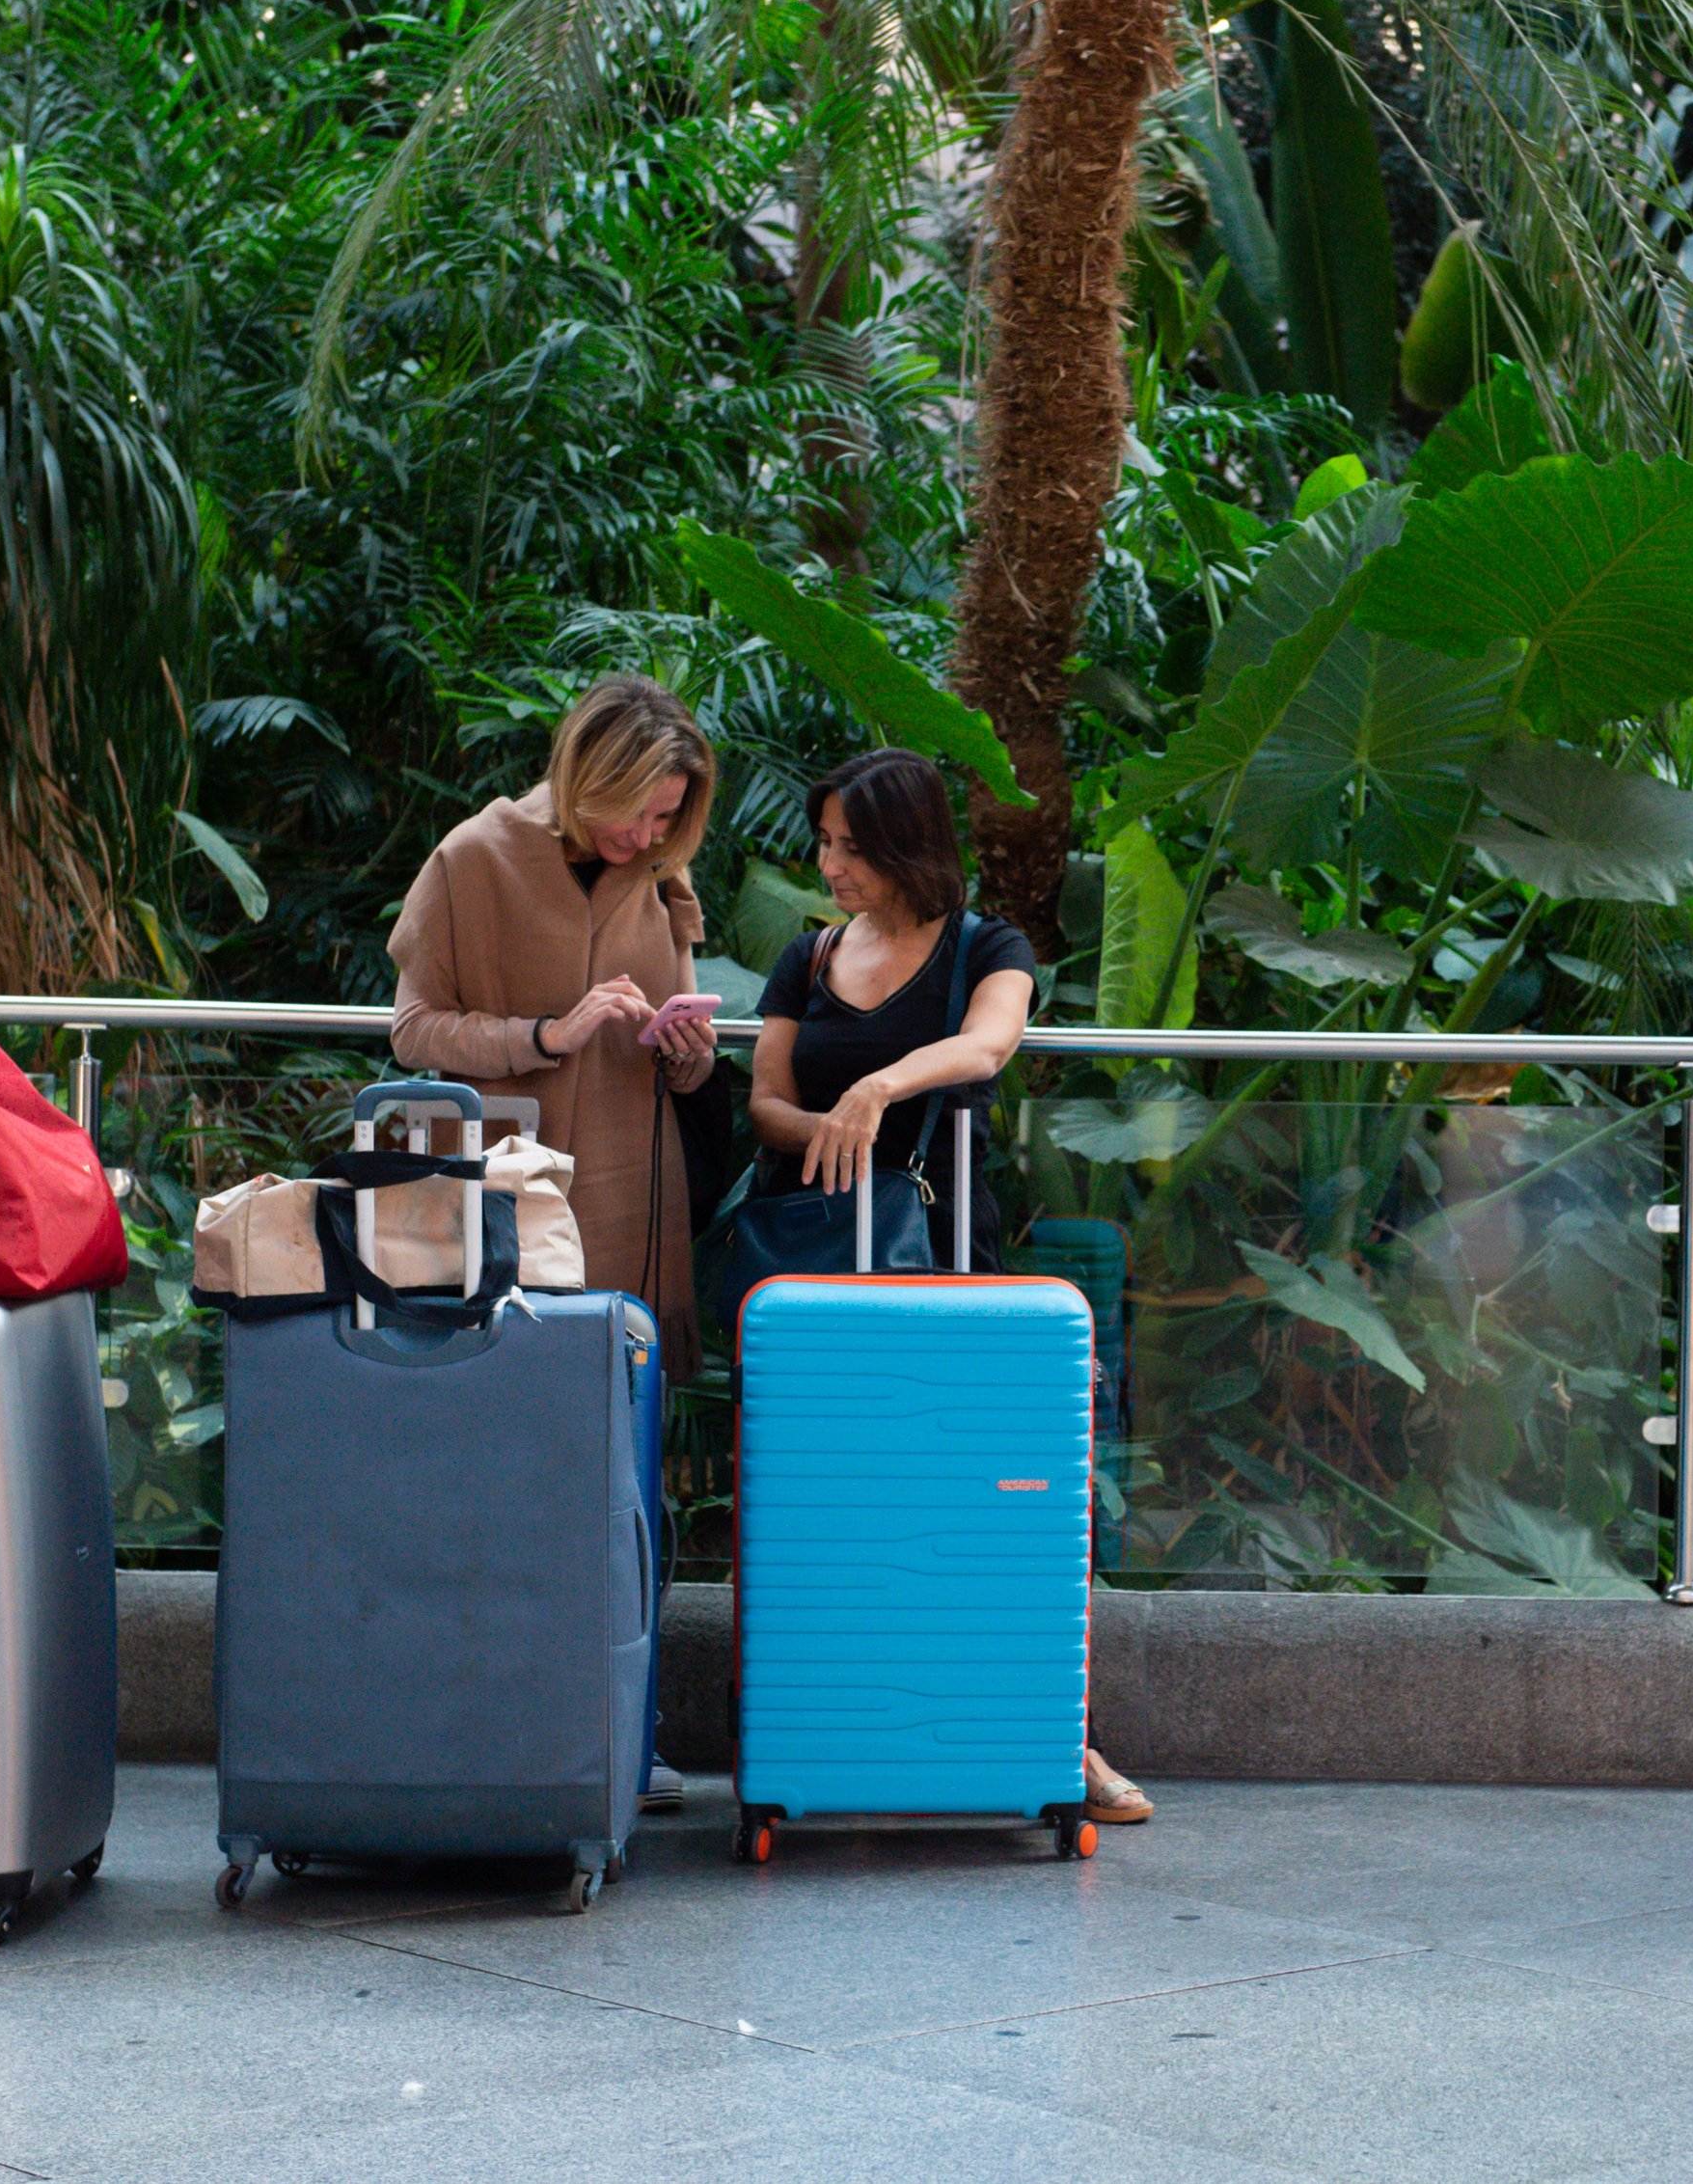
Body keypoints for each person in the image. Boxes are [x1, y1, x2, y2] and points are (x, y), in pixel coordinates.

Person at [747, 746, 1155, 1827]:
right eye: (824, 842)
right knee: (825, 1499)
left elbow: (988, 1043)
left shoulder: (985, 944)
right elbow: (766, 1098)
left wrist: (879, 1083)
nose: (828, 864)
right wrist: (830, 1130)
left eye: (851, 847)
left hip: (945, 1266)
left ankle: (1055, 1736)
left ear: (905, 845)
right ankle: (830, 1728)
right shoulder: (808, 954)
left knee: (973, 1502)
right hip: (817, 1275)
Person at [389, 671, 720, 1815]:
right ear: (589, 775)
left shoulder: (662, 878)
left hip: (630, 1202)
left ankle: (628, 1726)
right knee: (498, 1458)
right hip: (503, 1211)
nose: (652, 833)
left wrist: (683, 1043)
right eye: (641, 809)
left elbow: (688, 1056)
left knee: (629, 1468)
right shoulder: (474, 857)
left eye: (672, 815)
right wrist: (547, 1033)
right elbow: (414, 1025)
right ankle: (490, 1717)